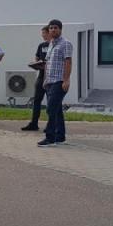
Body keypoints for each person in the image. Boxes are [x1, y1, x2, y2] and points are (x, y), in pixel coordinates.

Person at [38, 20, 74, 148]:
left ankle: (50, 137)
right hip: (50, 82)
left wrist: (66, 80)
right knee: (57, 110)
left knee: (51, 109)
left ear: (60, 29)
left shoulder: (65, 44)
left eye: (55, 28)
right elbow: (47, 63)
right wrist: (45, 80)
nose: (53, 30)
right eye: (51, 28)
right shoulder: (51, 43)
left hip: (59, 81)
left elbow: (68, 62)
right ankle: (60, 136)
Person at [21, 26, 51, 132]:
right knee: (37, 100)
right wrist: (36, 64)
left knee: (50, 102)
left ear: (49, 33)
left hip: (51, 78)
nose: (42, 35)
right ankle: (34, 123)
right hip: (41, 76)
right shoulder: (41, 45)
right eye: (42, 33)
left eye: (44, 33)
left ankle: (50, 125)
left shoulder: (54, 45)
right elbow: (37, 58)